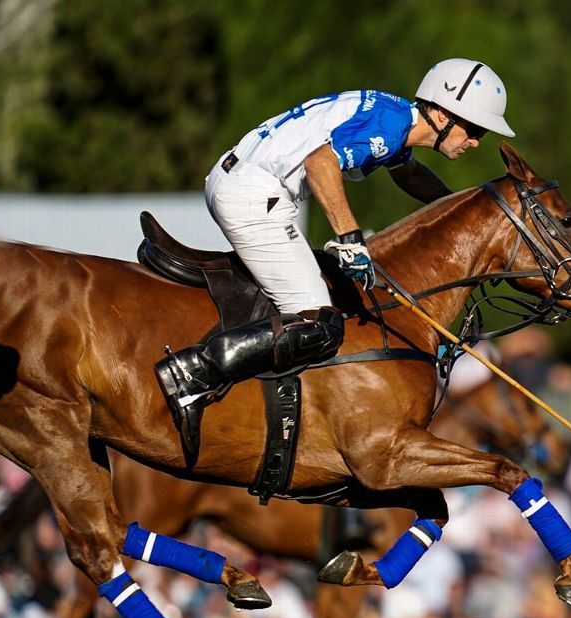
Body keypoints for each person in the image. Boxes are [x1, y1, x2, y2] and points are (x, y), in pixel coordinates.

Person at [155, 58, 515, 455]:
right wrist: (350, 238)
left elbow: (410, 175)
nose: (475, 141)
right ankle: (192, 373)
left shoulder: (395, 118)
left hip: (243, 181)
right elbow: (320, 162)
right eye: (474, 129)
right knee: (320, 320)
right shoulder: (391, 125)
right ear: (443, 113)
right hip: (253, 194)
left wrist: (466, 215)